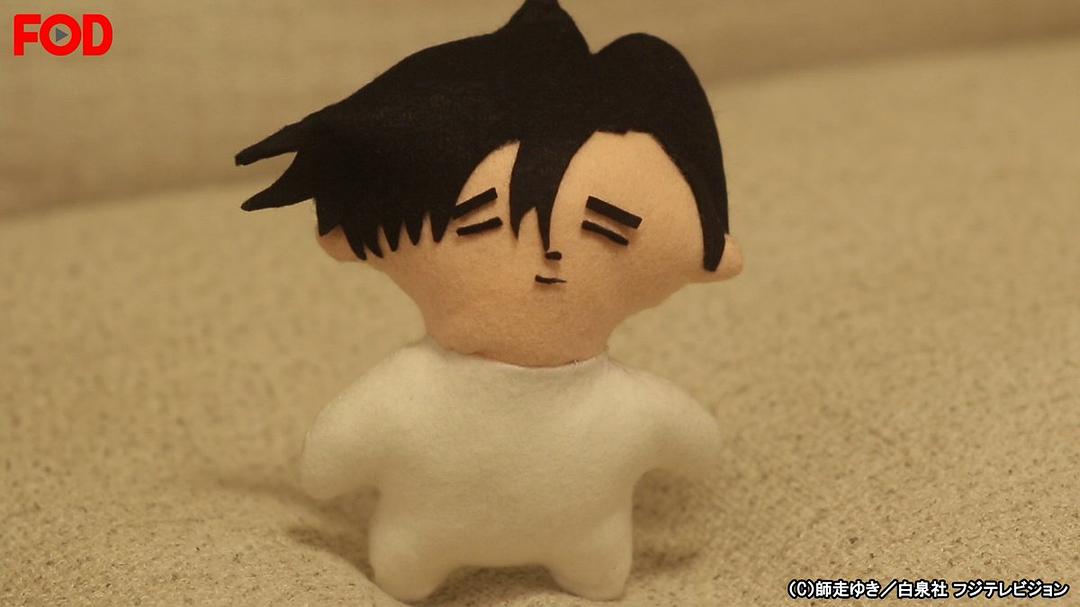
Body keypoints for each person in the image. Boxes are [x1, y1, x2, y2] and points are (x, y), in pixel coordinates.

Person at [236, 0, 742, 601]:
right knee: (408, 567)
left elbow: (324, 471)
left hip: (585, 545)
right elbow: (325, 468)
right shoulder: (415, 391)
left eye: (604, 230)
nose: (550, 254)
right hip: (421, 544)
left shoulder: (416, 391)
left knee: (586, 567)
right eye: (481, 224)